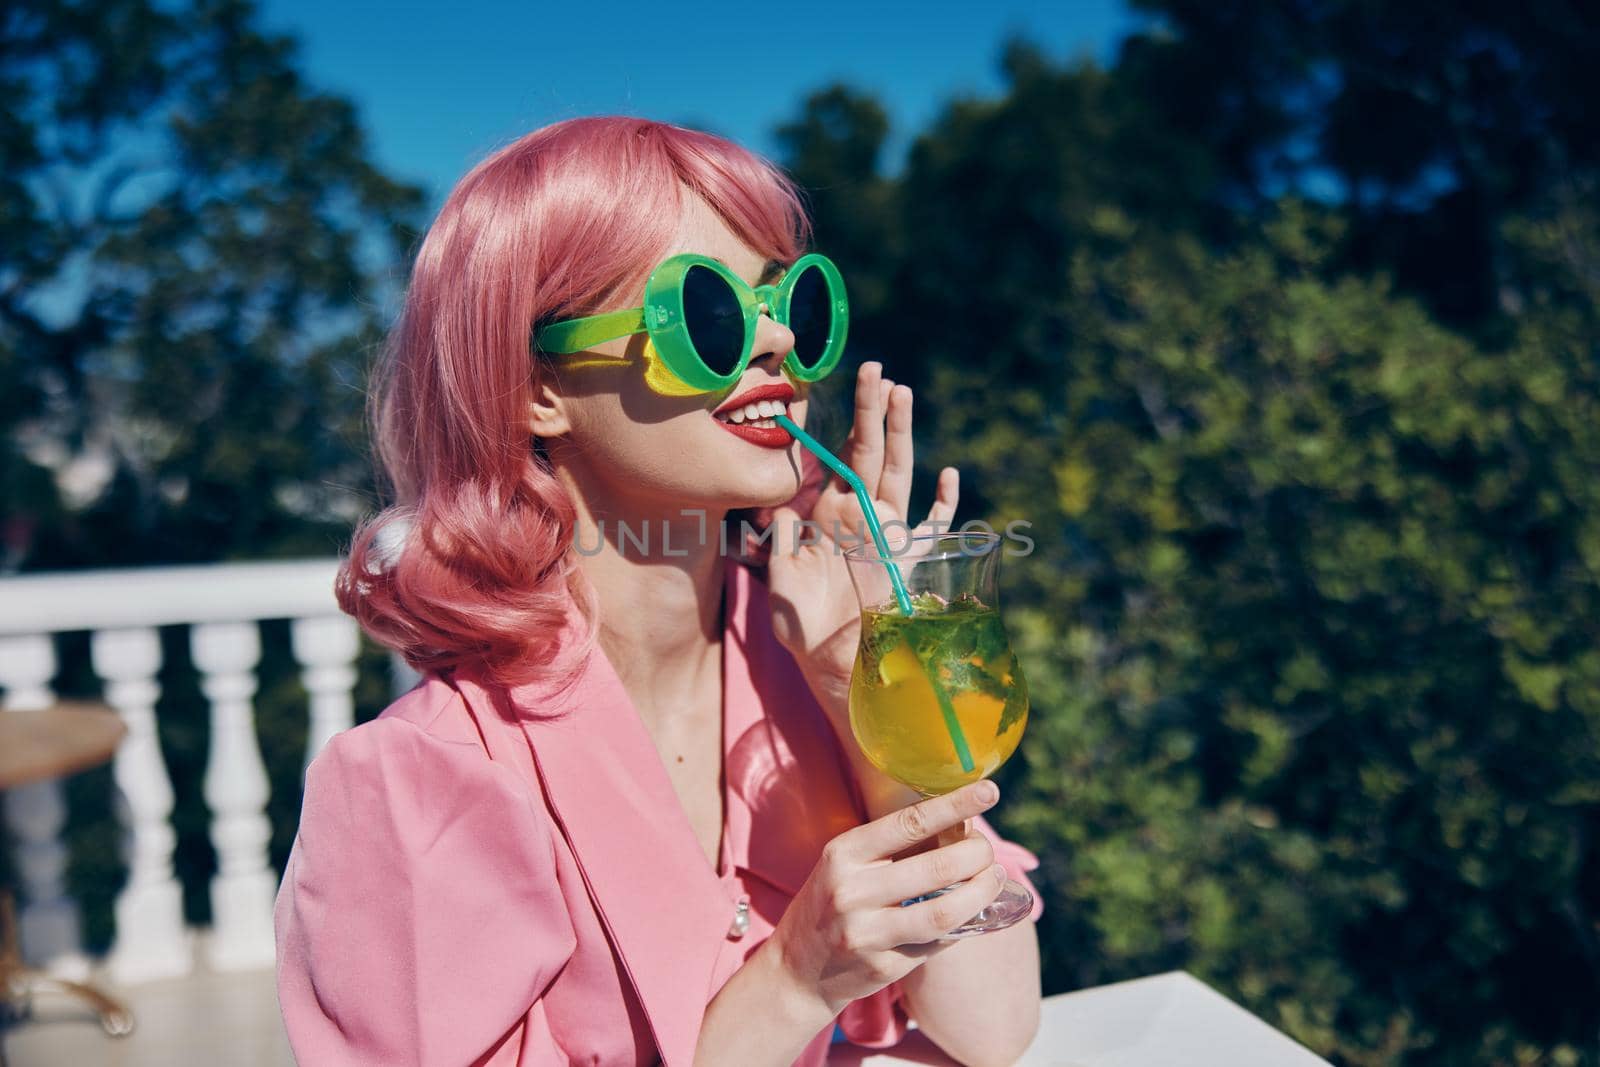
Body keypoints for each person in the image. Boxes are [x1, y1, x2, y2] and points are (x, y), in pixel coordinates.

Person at [273, 116, 1042, 1067]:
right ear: (535, 387)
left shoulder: (809, 652)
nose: (775, 345)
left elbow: (991, 1027)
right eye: (710, 316)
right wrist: (796, 977)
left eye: (790, 303)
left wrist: (862, 688)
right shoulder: (419, 781)